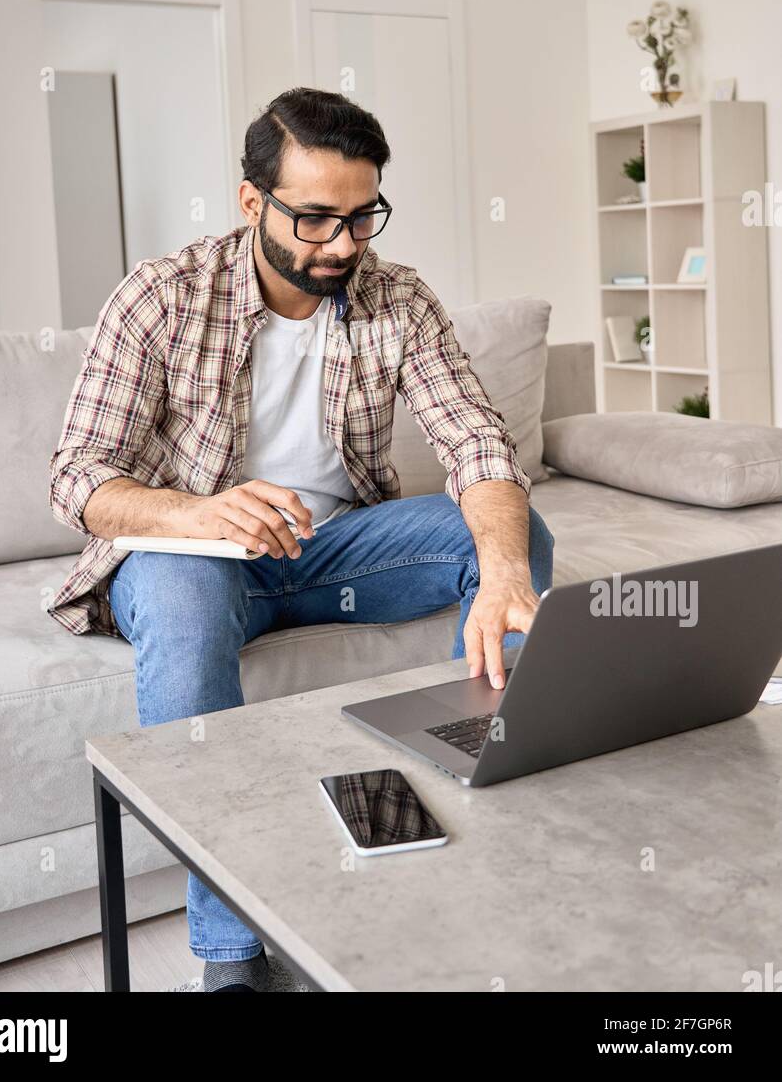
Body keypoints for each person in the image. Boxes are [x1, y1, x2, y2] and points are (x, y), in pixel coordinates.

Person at [49, 87, 554, 992]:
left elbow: (478, 444)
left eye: (363, 218)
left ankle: (458, 835)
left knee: (510, 536)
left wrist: (505, 567)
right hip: (192, 555)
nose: (344, 245)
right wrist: (193, 514)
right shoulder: (163, 297)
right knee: (186, 599)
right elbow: (76, 477)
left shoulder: (396, 298)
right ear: (254, 203)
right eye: (316, 219)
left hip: (337, 552)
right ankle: (231, 960)